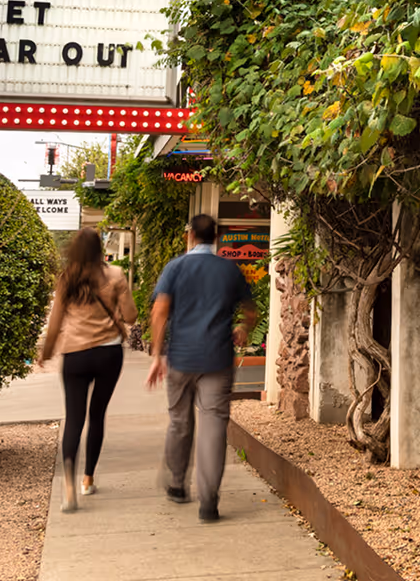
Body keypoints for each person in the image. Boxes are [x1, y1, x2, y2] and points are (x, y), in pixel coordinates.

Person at [146, 213, 258, 522]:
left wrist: (157, 355)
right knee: (213, 428)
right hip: (218, 360)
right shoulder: (230, 269)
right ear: (216, 237)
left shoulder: (176, 267)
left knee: (179, 422)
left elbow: (160, 311)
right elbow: (251, 311)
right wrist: (243, 330)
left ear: (190, 235)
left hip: (181, 358)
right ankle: (209, 502)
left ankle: (177, 483)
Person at [39, 228, 137, 512]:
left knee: (74, 418)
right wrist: (117, 311)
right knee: (97, 416)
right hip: (108, 354)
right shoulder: (116, 275)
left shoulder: (67, 278)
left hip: (75, 356)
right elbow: (131, 315)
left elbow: (55, 323)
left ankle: (69, 489)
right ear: (99, 249)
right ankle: (88, 479)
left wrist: (46, 353)